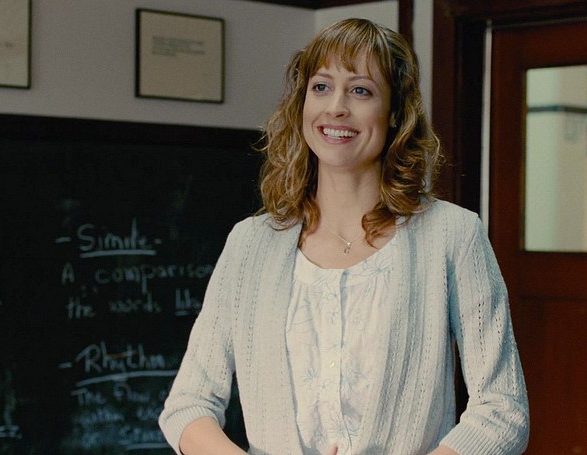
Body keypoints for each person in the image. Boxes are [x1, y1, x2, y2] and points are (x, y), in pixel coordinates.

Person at [158, 18, 529, 455]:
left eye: (360, 90)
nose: (336, 107)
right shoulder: (249, 244)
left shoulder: (453, 235)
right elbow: (187, 406)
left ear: (395, 112)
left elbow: (502, 411)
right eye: (321, 87)